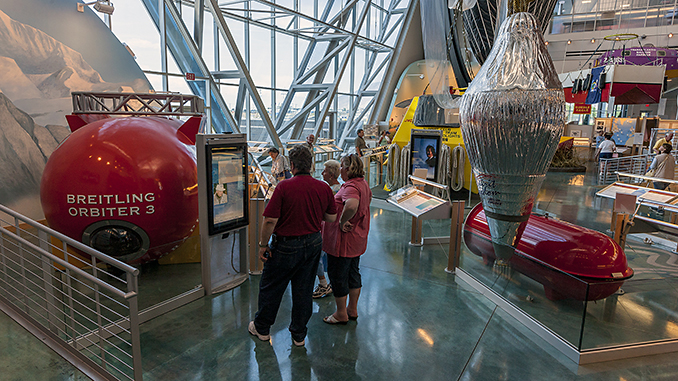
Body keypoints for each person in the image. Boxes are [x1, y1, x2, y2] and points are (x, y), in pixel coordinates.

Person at [249, 145, 337, 347]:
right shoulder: (323, 188)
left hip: (286, 246)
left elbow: (270, 220)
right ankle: (299, 335)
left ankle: (262, 329)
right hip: (313, 243)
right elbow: (331, 217)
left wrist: (263, 245)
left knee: (272, 288)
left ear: (293, 165)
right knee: (303, 290)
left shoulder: (284, 187)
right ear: (312, 164)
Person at [322, 154, 373, 325]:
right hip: (357, 239)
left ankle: (340, 313)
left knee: (338, 275)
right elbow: (368, 200)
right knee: (353, 272)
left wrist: (343, 221)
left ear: (350, 168)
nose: (340, 169)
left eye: (342, 166)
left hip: (342, 241)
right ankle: (352, 309)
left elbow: (351, 204)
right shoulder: (363, 184)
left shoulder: (350, 186)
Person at [313, 160, 342, 299]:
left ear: (330, 174)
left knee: (317, 257)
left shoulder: (331, 191)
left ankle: (323, 284)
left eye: (324, 171)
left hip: (325, 229)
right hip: (329, 229)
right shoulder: (339, 189)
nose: (322, 173)